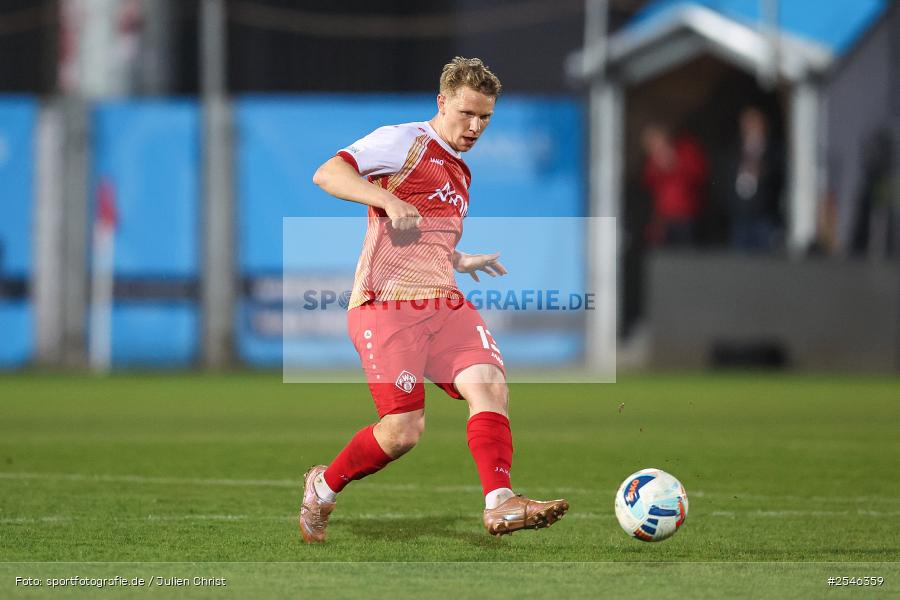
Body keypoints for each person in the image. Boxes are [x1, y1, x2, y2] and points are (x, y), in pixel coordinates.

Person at [301, 57, 569, 543]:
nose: (475, 126)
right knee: (403, 431)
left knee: (489, 383)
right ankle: (322, 487)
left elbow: (423, 237)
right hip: (385, 305)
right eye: (466, 113)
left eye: (485, 118)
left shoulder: (461, 171)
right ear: (441, 102)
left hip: (443, 303)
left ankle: (501, 502)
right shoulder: (403, 141)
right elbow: (326, 173)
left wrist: (457, 257)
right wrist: (384, 198)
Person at [640, 123, 708, 247]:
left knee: (684, 253)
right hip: (663, 218)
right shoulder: (652, 162)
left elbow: (698, 175)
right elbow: (649, 184)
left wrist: (674, 163)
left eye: (655, 140)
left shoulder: (685, 150)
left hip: (685, 215)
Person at [727, 107, 785, 252]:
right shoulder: (735, 148)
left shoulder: (774, 149)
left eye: (755, 122)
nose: (751, 127)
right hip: (741, 214)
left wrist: (765, 171)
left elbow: (780, 174)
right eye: (747, 123)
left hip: (764, 215)